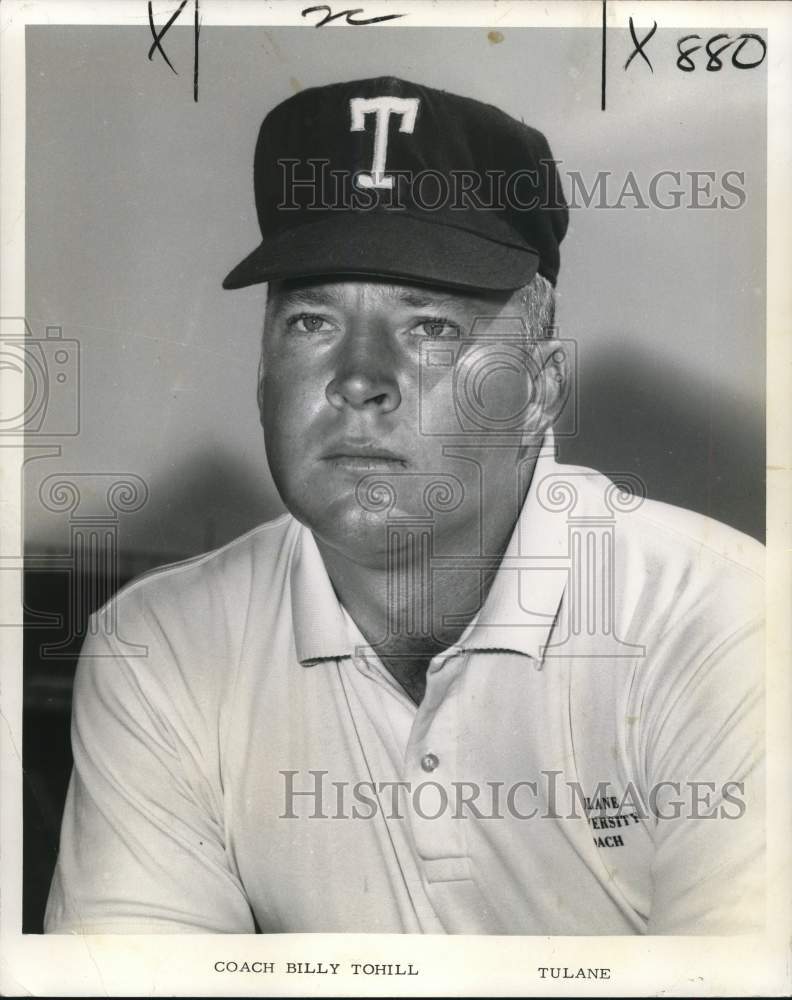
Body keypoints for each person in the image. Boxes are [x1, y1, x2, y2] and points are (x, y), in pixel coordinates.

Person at [45, 77, 764, 935]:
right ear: (264, 374)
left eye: (431, 327)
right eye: (311, 321)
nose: (357, 380)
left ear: (539, 389)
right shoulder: (160, 645)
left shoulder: (726, 622)